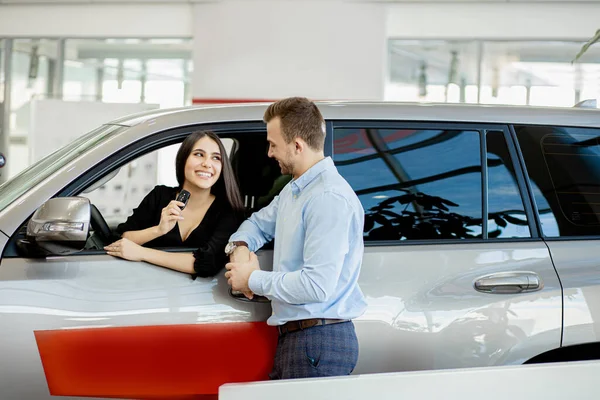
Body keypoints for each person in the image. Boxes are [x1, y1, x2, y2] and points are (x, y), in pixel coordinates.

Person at [224, 97, 367, 379]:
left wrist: (251, 279)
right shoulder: (295, 191)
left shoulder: (327, 198)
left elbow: (316, 286)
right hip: (302, 339)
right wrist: (240, 248)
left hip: (318, 340)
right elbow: (256, 224)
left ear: (297, 145)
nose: (269, 153)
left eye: (273, 144)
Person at [104, 130, 244, 277]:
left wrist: (142, 253)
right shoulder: (159, 196)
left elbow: (206, 262)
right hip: (145, 287)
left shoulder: (228, 211)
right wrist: (158, 230)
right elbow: (121, 241)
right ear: (183, 159)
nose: (207, 163)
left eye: (216, 158)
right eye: (198, 154)